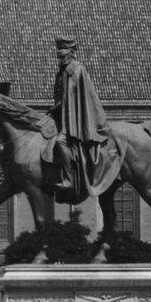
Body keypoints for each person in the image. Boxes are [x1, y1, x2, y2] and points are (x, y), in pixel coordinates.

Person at [48, 34, 109, 204]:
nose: (60, 58)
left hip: (75, 120)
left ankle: (68, 179)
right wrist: (56, 107)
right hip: (64, 116)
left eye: (63, 54)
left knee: (60, 141)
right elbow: (63, 99)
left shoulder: (77, 69)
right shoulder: (61, 73)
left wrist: (61, 107)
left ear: (71, 53)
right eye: (58, 55)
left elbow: (77, 98)